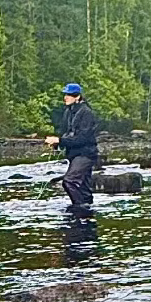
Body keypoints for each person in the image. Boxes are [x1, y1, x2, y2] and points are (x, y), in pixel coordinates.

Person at [45, 82, 99, 213]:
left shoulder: (86, 113)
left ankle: (78, 210)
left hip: (86, 154)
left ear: (77, 97)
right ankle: (87, 215)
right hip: (74, 154)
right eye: (66, 94)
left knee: (69, 182)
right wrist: (57, 143)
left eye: (69, 95)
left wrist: (60, 140)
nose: (66, 97)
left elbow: (83, 138)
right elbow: (67, 133)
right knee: (84, 189)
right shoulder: (68, 112)